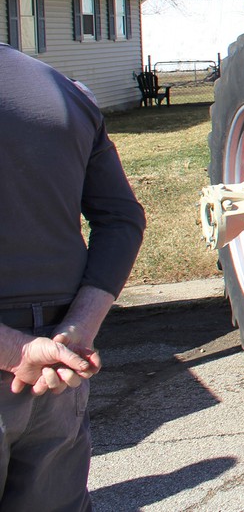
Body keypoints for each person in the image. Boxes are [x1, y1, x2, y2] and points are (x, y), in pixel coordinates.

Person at [0, 43, 146, 511]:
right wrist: (78, 329)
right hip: (60, 365)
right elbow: (122, 220)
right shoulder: (64, 90)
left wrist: (18, 350)